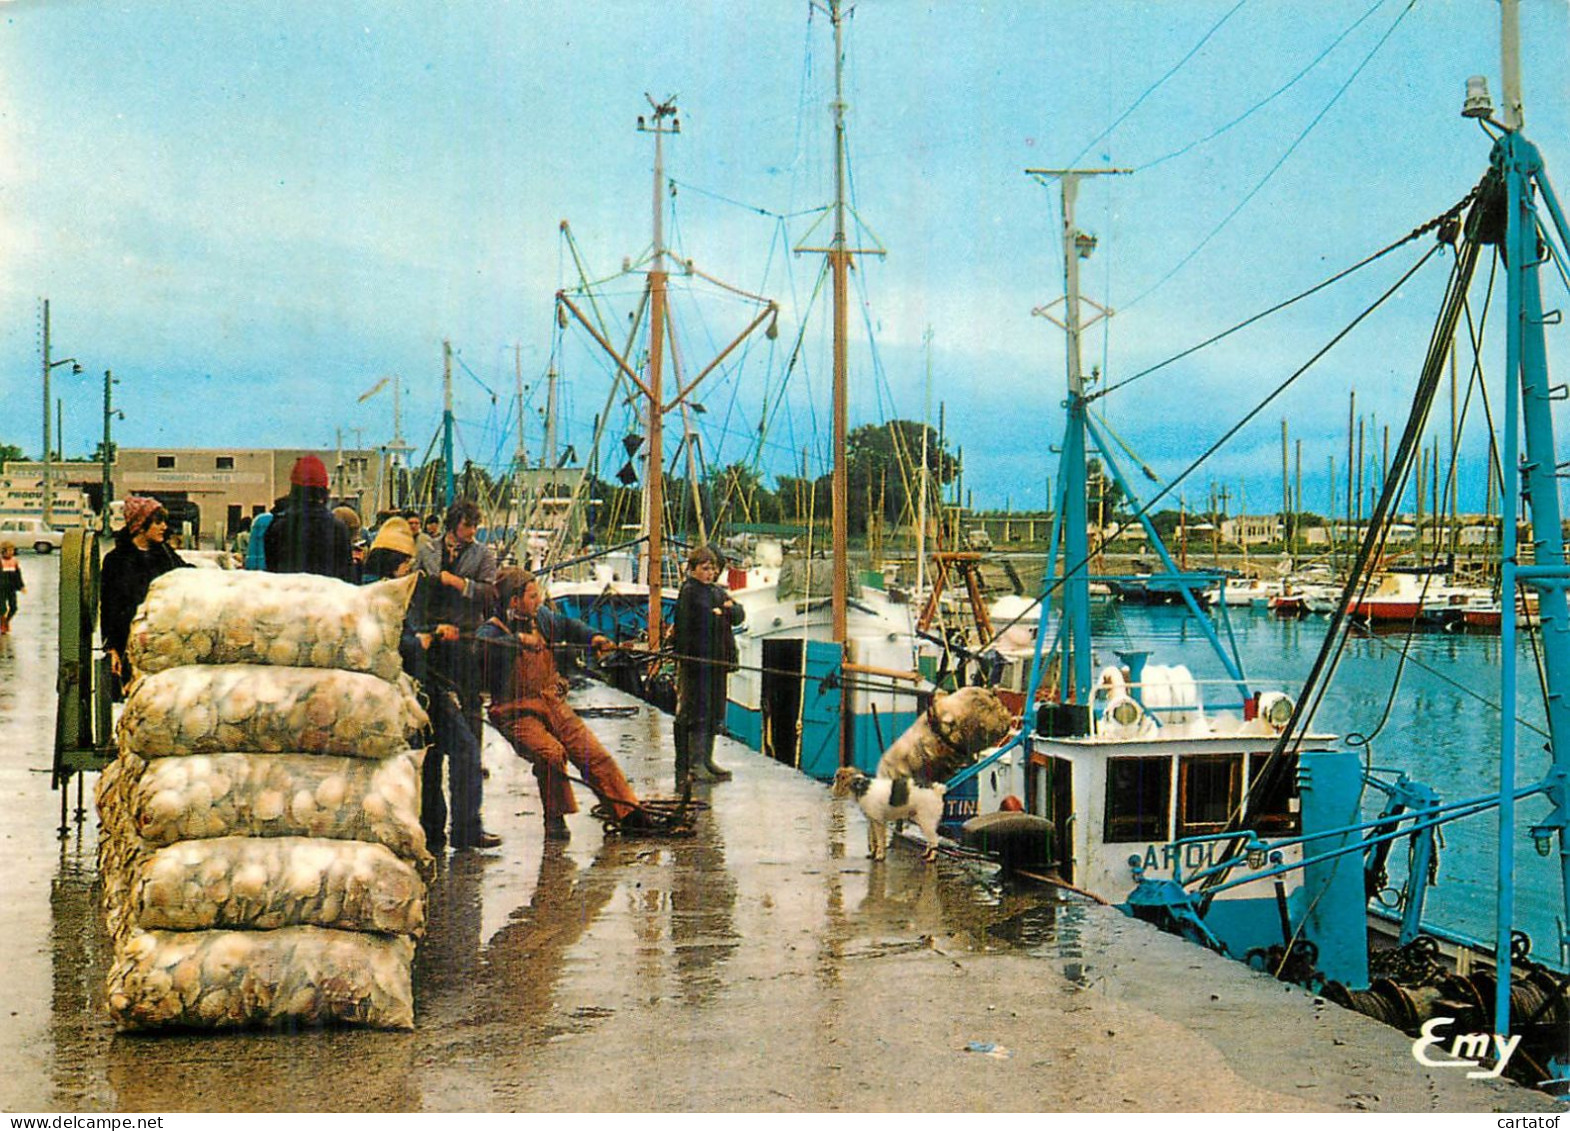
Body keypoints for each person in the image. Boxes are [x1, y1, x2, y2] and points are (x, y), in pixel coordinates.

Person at [479, 567, 654, 842]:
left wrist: (594, 637)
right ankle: (555, 819)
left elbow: (569, 626)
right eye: (532, 596)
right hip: (515, 712)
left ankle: (630, 814)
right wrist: (514, 641)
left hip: (551, 701)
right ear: (514, 601)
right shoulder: (491, 629)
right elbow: (482, 650)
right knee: (551, 753)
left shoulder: (542, 619)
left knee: (594, 755)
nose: (539, 601)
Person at [366, 520, 497, 852]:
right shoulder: (384, 596)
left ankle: (435, 835)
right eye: (406, 562)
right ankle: (463, 830)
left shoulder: (375, 590)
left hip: (423, 683)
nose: (412, 568)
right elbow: (399, 641)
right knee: (463, 749)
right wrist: (428, 636)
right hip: (414, 689)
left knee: (433, 758)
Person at [413, 499, 497, 739]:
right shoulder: (427, 550)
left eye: (475, 526)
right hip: (434, 634)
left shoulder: (484, 555)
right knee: (428, 696)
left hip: (465, 637)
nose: (472, 531)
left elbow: (490, 594)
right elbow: (414, 589)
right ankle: (431, 755)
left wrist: (459, 583)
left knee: (471, 699)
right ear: (453, 525)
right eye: (468, 525)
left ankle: (473, 760)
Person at [100, 496, 193, 696]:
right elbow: (109, 607)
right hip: (131, 643)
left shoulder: (166, 555)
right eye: (158, 522)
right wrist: (111, 648)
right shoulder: (116, 560)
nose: (164, 527)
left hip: (165, 641)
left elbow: (186, 574)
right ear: (141, 526)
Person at [673, 544, 744, 785]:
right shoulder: (690, 592)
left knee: (714, 711)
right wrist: (722, 613)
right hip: (697, 664)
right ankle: (694, 764)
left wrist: (726, 610)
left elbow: (739, 614)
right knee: (697, 712)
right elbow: (703, 619)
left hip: (717, 663)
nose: (710, 573)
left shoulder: (715, 591)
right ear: (693, 569)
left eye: (712, 569)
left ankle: (707, 760)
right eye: (705, 568)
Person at [264, 456, 353, 580]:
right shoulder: (339, 529)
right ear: (324, 492)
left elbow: (272, 573)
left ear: (293, 490)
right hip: (327, 597)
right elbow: (346, 577)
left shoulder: (277, 527)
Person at [245, 497, 286, 571]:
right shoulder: (295, 520)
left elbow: (253, 546)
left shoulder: (261, 519)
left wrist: (250, 565)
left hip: (262, 565)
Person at [0, 542, 23, 634]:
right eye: (9, 550)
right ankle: (3, 625)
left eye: (12, 550)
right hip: (1, 589)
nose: (11, 552)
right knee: (2, 609)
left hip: (11, 588)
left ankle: (5, 622)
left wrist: (21, 586)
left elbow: (18, 575)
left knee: (14, 607)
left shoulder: (14, 561)